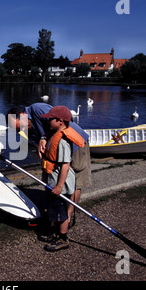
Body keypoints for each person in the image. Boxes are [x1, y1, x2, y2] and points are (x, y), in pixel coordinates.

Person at [7, 103, 91, 239]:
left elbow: (65, 121)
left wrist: (43, 137)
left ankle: (67, 218)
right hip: (56, 151)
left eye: (21, 127)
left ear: (23, 116)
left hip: (75, 145)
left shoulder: (37, 109)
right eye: (17, 130)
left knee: (76, 181)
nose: (22, 131)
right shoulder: (24, 130)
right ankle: (55, 217)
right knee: (50, 181)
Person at [39, 105, 85, 251]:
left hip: (62, 184)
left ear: (60, 121)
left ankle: (63, 238)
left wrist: (59, 186)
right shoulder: (54, 134)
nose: (48, 122)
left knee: (61, 213)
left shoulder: (63, 141)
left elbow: (65, 165)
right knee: (55, 210)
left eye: (51, 119)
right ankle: (57, 233)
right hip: (55, 181)